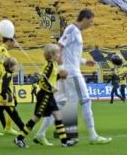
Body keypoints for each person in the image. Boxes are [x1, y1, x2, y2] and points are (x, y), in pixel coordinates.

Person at [57, 8, 112, 144]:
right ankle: (93, 136)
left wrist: (84, 61)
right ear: (85, 18)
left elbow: (70, 54)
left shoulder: (76, 31)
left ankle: (70, 136)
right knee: (86, 101)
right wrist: (61, 68)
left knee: (71, 103)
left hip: (70, 71)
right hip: (72, 73)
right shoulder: (72, 30)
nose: (91, 24)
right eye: (91, 21)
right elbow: (58, 47)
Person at [14, 44, 76, 148]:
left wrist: (59, 77)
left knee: (58, 116)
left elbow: (51, 78)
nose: (59, 54)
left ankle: (64, 141)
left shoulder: (54, 64)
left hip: (49, 96)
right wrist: (51, 88)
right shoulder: (50, 65)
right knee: (36, 118)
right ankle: (19, 138)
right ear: (51, 55)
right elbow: (42, 80)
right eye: (57, 52)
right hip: (45, 96)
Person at [0, 58, 29, 141]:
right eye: (15, 65)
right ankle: (24, 129)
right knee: (15, 116)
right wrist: (4, 97)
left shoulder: (3, 74)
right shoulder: (8, 75)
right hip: (6, 101)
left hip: (0, 100)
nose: (16, 67)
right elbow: (4, 87)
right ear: (10, 67)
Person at [0, 37, 20, 136]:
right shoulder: (2, 50)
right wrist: (5, 77)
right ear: (9, 41)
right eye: (14, 40)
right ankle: (6, 128)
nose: (16, 42)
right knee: (5, 104)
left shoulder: (2, 50)